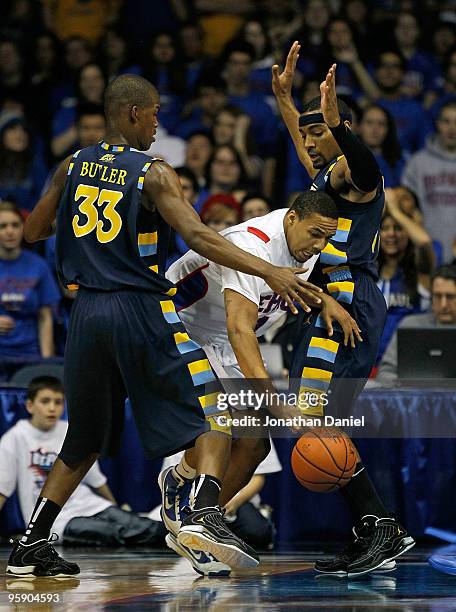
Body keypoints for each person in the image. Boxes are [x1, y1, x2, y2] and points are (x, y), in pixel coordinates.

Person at [6, 73, 320, 577]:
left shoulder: (73, 163)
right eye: (154, 114)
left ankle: (31, 543)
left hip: (86, 314)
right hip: (140, 309)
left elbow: (35, 229)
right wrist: (270, 271)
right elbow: (197, 234)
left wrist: (91, 248)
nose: (158, 123)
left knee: (83, 439)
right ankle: (199, 510)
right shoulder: (152, 173)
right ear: (134, 113)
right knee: (215, 408)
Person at [160, 191, 362, 576]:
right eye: (316, 235)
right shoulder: (252, 245)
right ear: (291, 219)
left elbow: (286, 289)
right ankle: (197, 513)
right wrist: (275, 401)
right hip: (177, 326)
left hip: (219, 339)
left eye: (326, 239)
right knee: (221, 417)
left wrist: (324, 301)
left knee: (253, 443)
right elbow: (240, 328)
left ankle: (198, 517)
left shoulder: (304, 245)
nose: (320, 246)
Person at [271, 42, 415, 577]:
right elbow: (304, 141)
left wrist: (339, 125)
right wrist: (284, 100)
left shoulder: (358, 178)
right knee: (318, 421)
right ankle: (375, 527)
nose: (310, 141)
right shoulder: (325, 175)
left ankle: (381, 528)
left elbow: (365, 163)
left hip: (347, 303)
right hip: (323, 303)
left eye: (321, 131)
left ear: (342, 128)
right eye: (308, 133)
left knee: (318, 421)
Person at [0, 377, 164, 547]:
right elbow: (2, 488)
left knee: (135, 523)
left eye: (58, 402)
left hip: (91, 504)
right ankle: (178, 539)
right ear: (29, 406)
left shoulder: (68, 430)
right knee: (119, 533)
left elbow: (96, 479)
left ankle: (180, 536)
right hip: (60, 521)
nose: (52, 408)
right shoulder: (15, 437)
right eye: (45, 401)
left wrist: (113, 507)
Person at [151, 443, 282, 552]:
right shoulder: (188, 425)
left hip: (234, 503)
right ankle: (189, 529)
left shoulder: (251, 421)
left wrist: (233, 502)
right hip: (188, 500)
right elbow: (177, 477)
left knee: (258, 533)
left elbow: (258, 477)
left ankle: (204, 531)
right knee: (163, 530)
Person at [376, 188, 434, 364]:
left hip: (409, 365)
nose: (391, 234)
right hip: (367, 367)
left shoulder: (420, 272)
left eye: (399, 228)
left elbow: (424, 242)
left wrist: (394, 209)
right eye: (385, 228)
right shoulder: (368, 273)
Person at [0, 201, 60, 368]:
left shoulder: (38, 266)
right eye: (3, 226)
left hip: (30, 354)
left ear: (23, 228)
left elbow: (45, 317)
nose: (9, 231)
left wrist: (46, 362)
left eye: (15, 225)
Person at [377, 265, 456, 386]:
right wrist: (406, 387)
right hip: (414, 400)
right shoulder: (410, 325)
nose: (443, 304)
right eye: (437, 296)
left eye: (450, 297)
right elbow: (385, 372)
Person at [401, 100, 456, 263]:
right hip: (426, 250)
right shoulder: (418, 163)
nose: (452, 128)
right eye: (446, 121)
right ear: (437, 124)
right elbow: (406, 208)